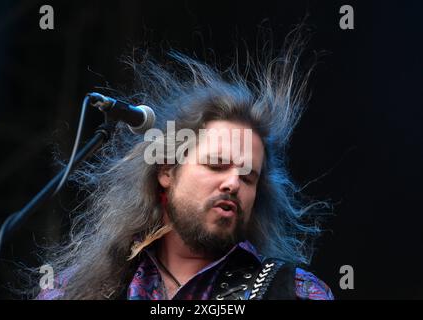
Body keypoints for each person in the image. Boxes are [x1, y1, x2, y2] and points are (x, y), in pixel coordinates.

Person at [35, 37, 333, 300]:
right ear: (167, 171)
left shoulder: (298, 292)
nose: (233, 182)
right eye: (217, 164)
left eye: (248, 177)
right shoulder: (73, 289)